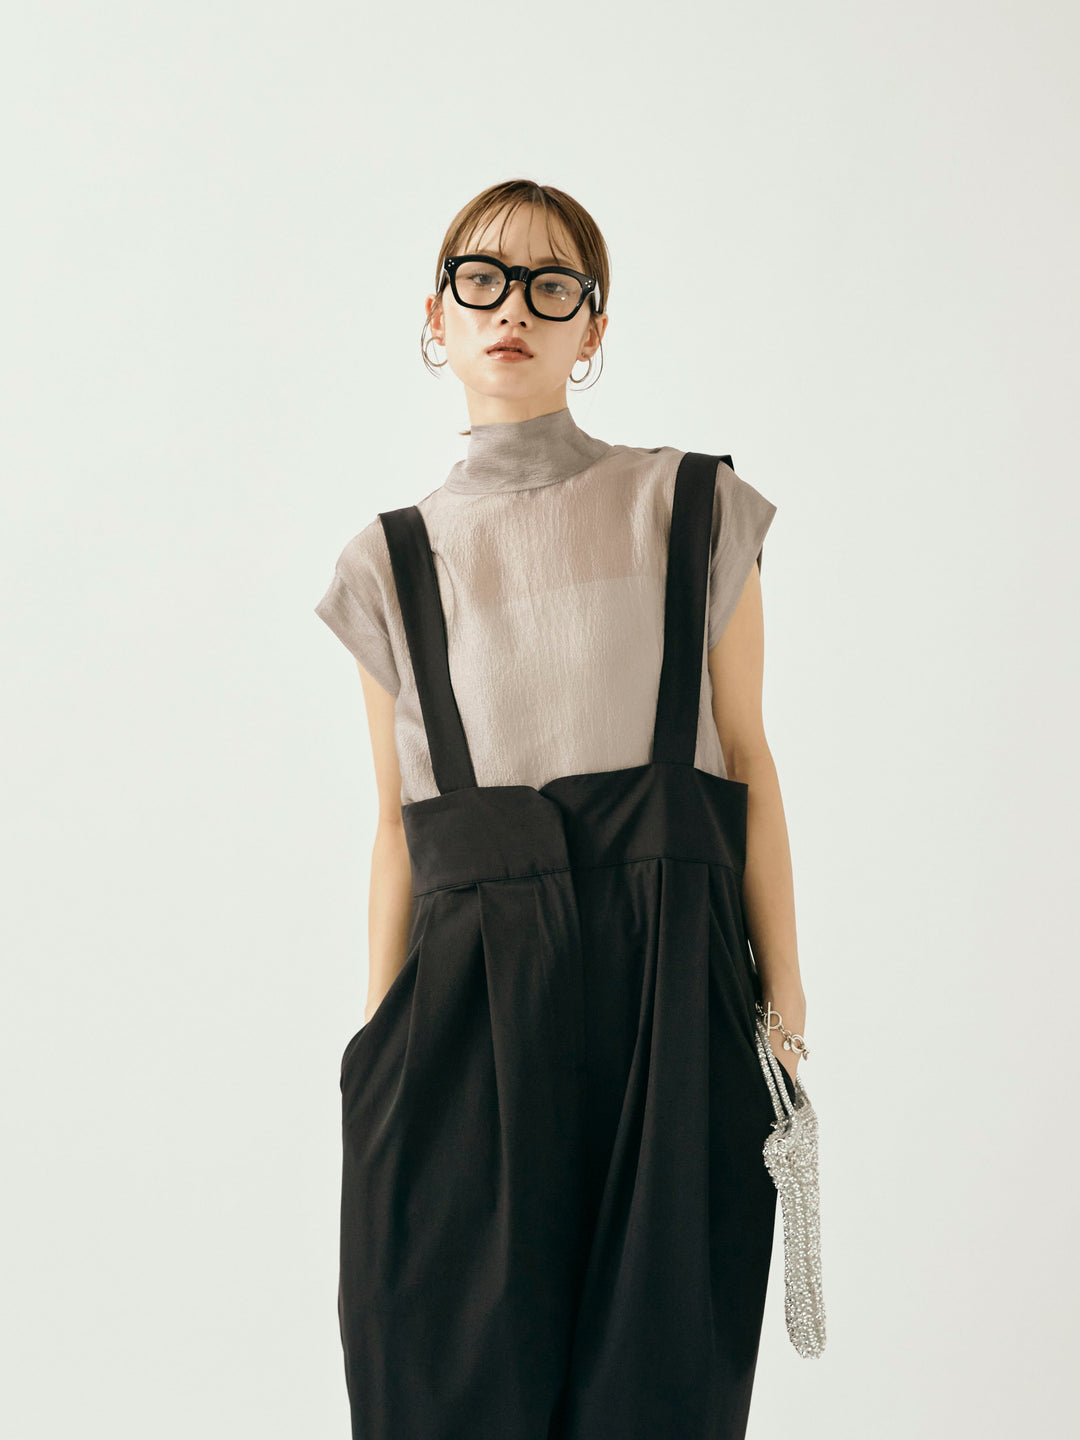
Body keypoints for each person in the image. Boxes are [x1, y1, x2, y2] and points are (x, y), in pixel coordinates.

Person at [315, 178, 809, 1440]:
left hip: (674, 987)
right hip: (461, 1002)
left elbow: (747, 756)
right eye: (482, 279)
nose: (513, 310)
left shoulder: (692, 508)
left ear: (593, 326)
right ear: (438, 314)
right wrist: (378, 1047)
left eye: (552, 285)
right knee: (446, 1383)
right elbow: (396, 823)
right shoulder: (387, 563)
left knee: (664, 1384)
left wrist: (784, 996)